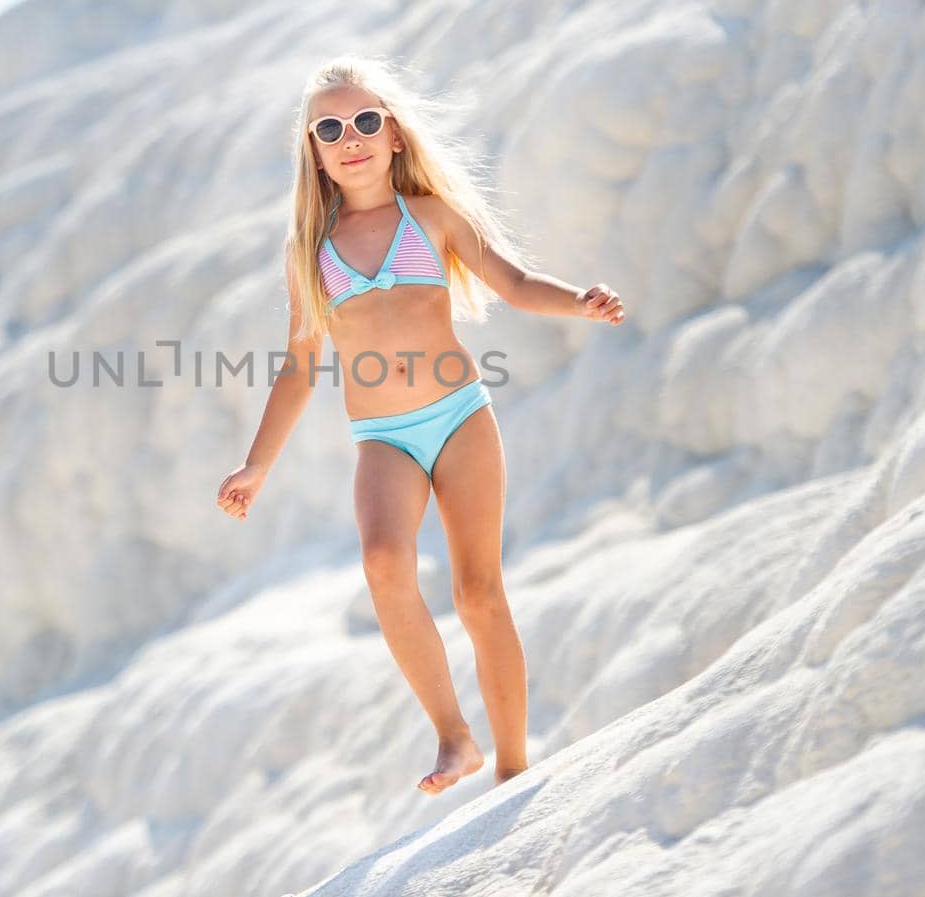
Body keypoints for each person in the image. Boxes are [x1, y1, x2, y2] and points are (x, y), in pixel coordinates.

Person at [215, 55, 626, 795]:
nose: (352, 137)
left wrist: (579, 300)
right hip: (385, 438)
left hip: (460, 417)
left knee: (477, 590)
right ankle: (453, 736)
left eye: (367, 120)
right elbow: (301, 363)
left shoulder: (431, 218)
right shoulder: (308, 252)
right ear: (313, 152)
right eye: (330, 128)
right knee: (382, 562)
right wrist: (255, 465)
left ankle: (512, 763)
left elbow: (515, 283)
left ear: (395, 134)